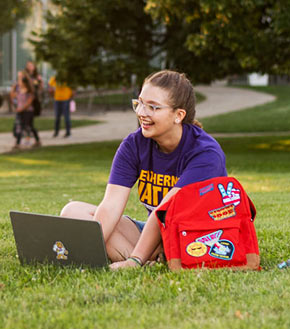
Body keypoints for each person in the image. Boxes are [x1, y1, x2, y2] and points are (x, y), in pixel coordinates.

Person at [58, 70, 228, 270]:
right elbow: (111, 205)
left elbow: (164, 212)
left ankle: (138, 262)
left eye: (153, 107)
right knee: (73, 211)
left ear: (178, 115)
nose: (141, 113)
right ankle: (148, 263)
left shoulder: (205, 153)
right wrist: (84, 249)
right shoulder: (134, 144)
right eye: (139, 103)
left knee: (135, 237)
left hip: (193, 238)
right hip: (154, 233)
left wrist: (134, 259)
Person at [11, 71, 41, 150]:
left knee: (29, 126)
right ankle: (17, 143)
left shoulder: (30, 91)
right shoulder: (19, 90)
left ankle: (37, 141)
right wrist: (13, 88)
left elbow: (29, 103)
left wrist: (21, 109)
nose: (19, 82)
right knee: (20, 127)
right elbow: (12, 96)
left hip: (28, 112)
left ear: (24, 82)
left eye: (20, 81)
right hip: (20, 111)